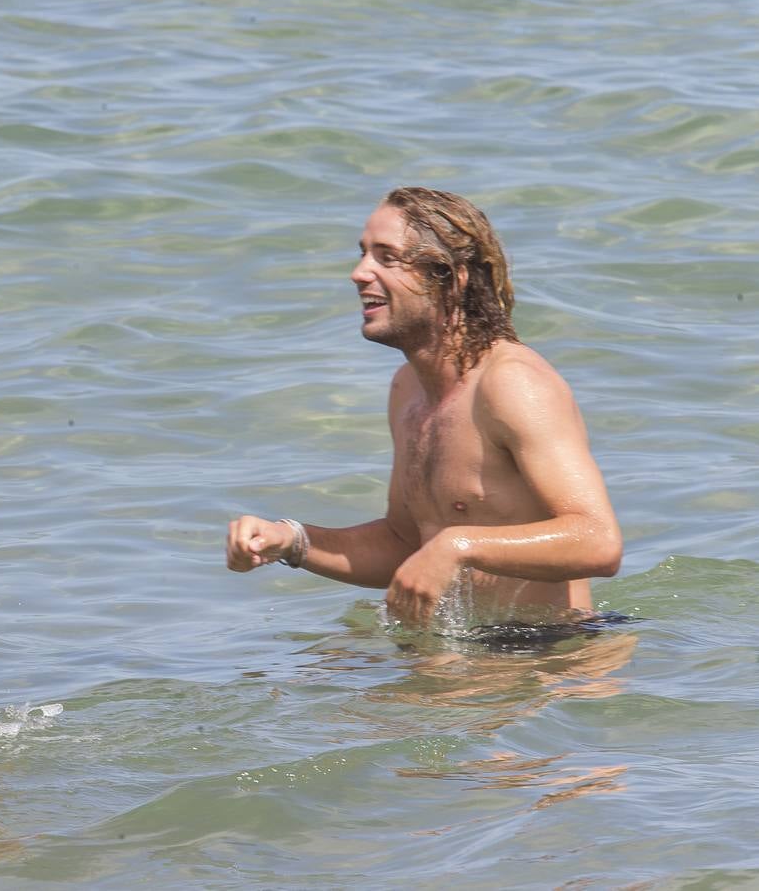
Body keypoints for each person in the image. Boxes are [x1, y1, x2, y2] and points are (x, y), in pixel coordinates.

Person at [226, 188, 622, 627]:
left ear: (449, 278)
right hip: (457, 654)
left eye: (386, 258)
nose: (359, 273)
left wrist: (458, 546)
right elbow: (405, 543)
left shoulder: (512, 384)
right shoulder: (408, 389)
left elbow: (598, 542)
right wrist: (292, 540)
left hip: (542, 656)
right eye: (363, 254)